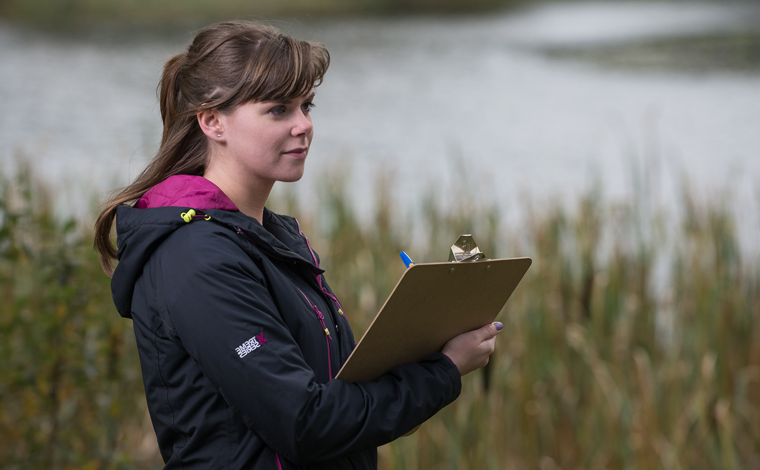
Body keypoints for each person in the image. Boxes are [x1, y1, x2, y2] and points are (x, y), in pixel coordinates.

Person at [94, 20, 502, 470]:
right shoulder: (196, 258)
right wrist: (444, 372)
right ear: (212, 121)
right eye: (278, 110)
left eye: (306, 105)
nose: (304, 125)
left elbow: (340, 398)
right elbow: (304, 423)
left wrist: (429, 344)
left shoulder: (269, 237)